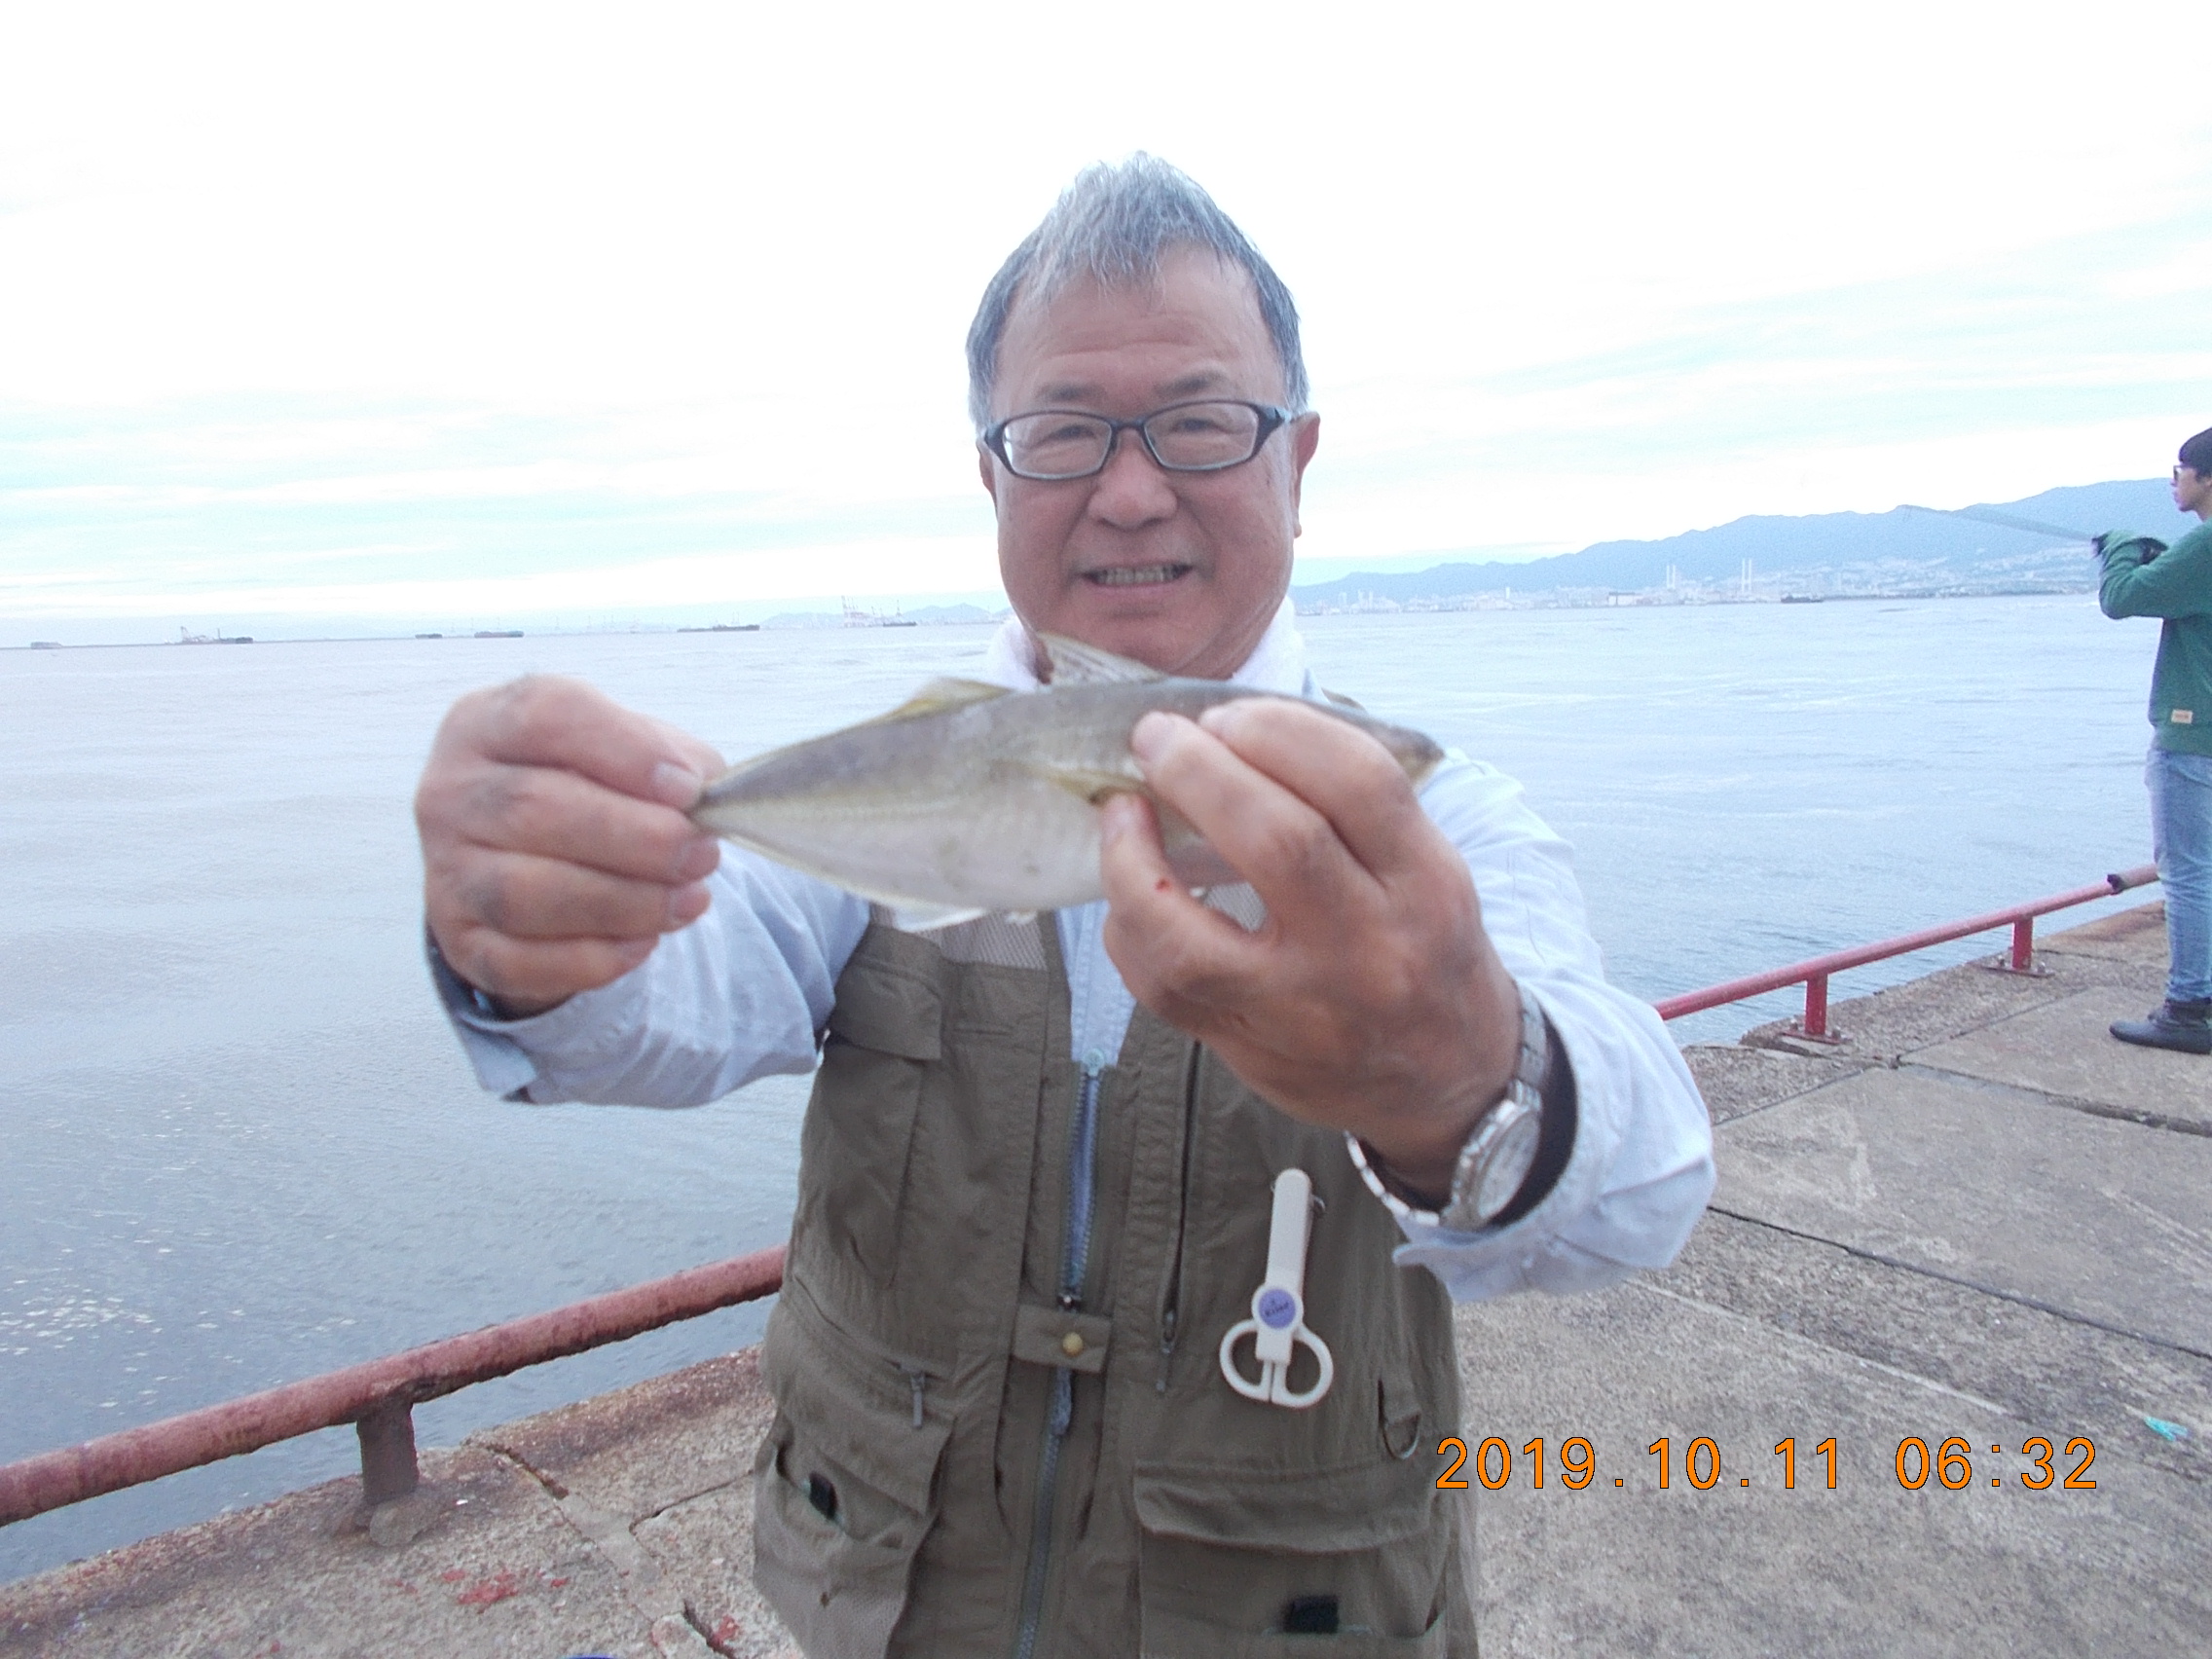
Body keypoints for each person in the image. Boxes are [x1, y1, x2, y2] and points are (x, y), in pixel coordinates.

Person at [414, 157, 1714, 1657]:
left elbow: (1643, 1192)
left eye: (1202, 421)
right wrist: (525, 946)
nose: (1132, 488)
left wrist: (1469, 1076)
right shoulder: (890, 784)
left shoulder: (1432, 820)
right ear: (992, 476)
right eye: (1062, 431)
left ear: (1298, 460)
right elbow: (645, 1021)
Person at [2101, 424, 2212, 1054]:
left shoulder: (2206, 545)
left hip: (2194, 737)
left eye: (2180, 470)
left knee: (2188, 873)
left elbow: (2121, 599)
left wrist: (2121, 549)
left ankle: (2189, 1008)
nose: (2174, 481)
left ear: (2206, 479)